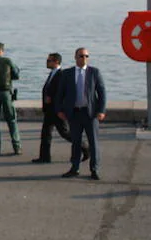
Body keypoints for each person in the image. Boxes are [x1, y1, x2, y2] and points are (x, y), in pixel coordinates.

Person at [56, 47, 106, 180]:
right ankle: (75, 168)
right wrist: (59, 110)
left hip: (90, 114)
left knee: (93, 142)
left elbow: (102, 93)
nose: (84, 58)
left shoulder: (94, 72)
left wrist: (101, 111)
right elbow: (60, 94)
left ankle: (94, 169)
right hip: (74, 114)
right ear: (75, 57)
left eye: (86, 56)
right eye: (81, 56)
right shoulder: (67, 73)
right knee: (76, 142)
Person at [32, 51, 85, 164]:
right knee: (46, 133)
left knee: (64, 133)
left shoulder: (61, 74)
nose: (46, 62)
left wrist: (55, 102)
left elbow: (63, 92)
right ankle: (44, 157)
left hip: (56, 110)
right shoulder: (52, 73)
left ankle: (84, 146)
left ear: (56, 62)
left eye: (48, 60)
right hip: (49, 110)